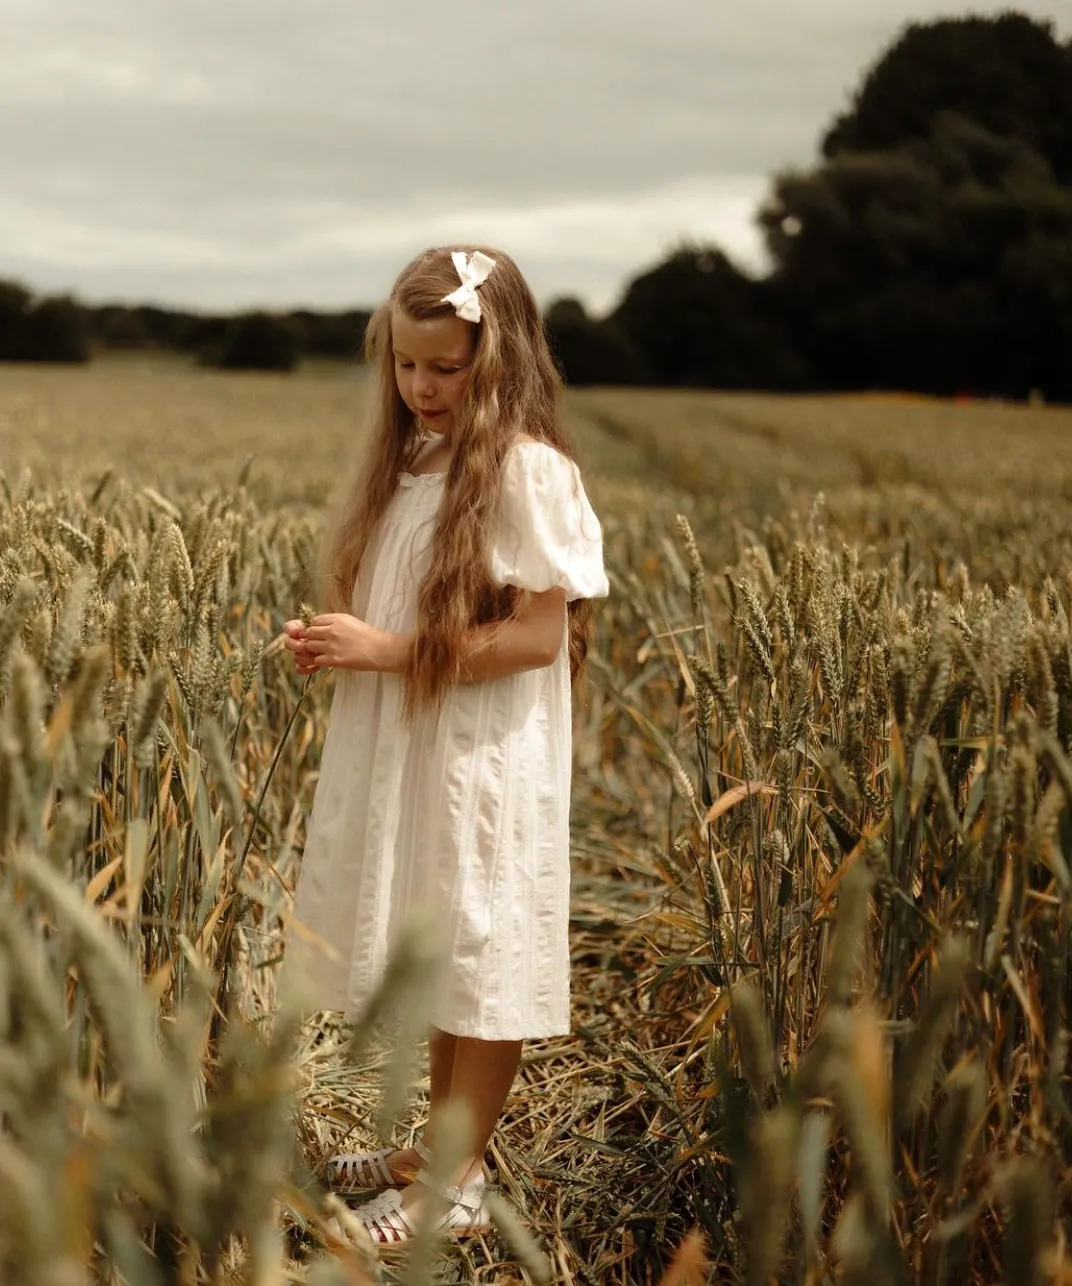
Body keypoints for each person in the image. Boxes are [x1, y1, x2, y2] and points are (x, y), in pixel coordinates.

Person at [282, 246, 609, 1247]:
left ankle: (459, 1182)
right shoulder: (417, 463)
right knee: (440, 944)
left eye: (447, 367)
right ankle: (436, 1146)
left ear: (498, 361)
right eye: (406, 364)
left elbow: (533, 636)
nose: (421, 387)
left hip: (486, 753)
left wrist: (384, 649)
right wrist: (342, 642)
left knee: (482, 945)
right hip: (424, 737)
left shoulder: (528, 472)